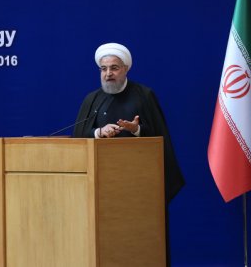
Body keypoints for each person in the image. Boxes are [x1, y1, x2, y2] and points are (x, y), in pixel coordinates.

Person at [72, 43, 184, 265]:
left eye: (114, 68)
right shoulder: (93, 100)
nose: (108, 74)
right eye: (104, 69)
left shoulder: (143, 95)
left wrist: (137, 130)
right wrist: (99, 132)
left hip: (139, 187)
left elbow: (160, 137)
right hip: (101, 186)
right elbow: (79, 136)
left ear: (125, 69)